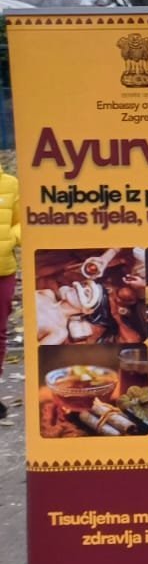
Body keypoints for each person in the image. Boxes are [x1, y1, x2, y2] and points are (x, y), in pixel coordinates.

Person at [0, 165, 17, 420]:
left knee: (0, 332)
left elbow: (22, 222)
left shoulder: (10, 183)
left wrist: (12, 237)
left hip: (4, 270)